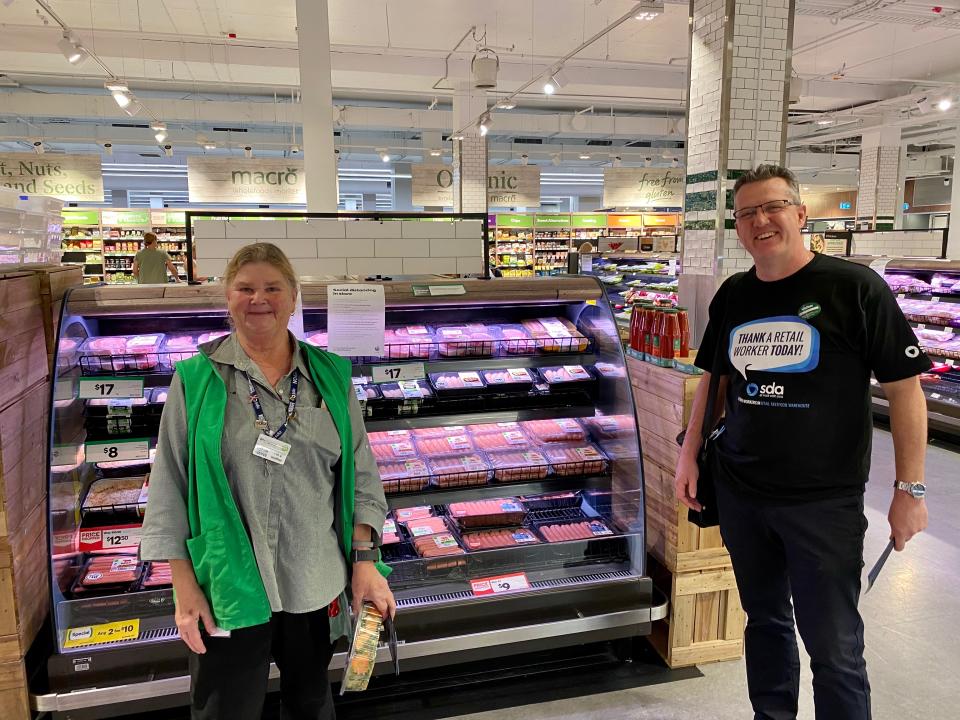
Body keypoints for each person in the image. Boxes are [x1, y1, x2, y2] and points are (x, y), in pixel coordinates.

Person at [674, 164, 929, 720]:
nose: (760, 221)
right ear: (737, 227)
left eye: (772, 207)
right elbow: (715, 383)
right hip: (742, 491)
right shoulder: (734, 294)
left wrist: (909, 488)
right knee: (764, 625)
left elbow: (906, 393)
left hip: (823, 502)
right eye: (747, 213)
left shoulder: (855, 289)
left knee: (834, 647)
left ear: (799, 214)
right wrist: (688, 453)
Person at [141, 242, 394, 720]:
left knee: (310, 704)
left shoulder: (331, 374)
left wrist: (365, 561)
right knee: (226, 709)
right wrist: (183, 587)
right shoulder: (195, 379)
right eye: (245, 288)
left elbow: (360, 472)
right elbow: (169, 485)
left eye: (273, 288)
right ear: (228, 298)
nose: (259, 299)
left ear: (294, 297)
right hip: (226, 583)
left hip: (312, 578)